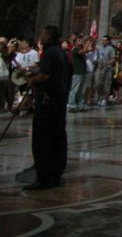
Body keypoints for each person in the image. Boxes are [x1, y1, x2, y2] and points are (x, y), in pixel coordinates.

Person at [24, 25, 71, 190]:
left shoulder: (49, 53)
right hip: (59, 101)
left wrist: (32, 80)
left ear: (48, 36)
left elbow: (46, 75)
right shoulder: (62, 53)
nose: (41, 37)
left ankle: (44, 177)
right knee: (58, 137)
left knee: (42, 139)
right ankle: (56, 174)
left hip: (47, 102)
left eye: (43, 34)